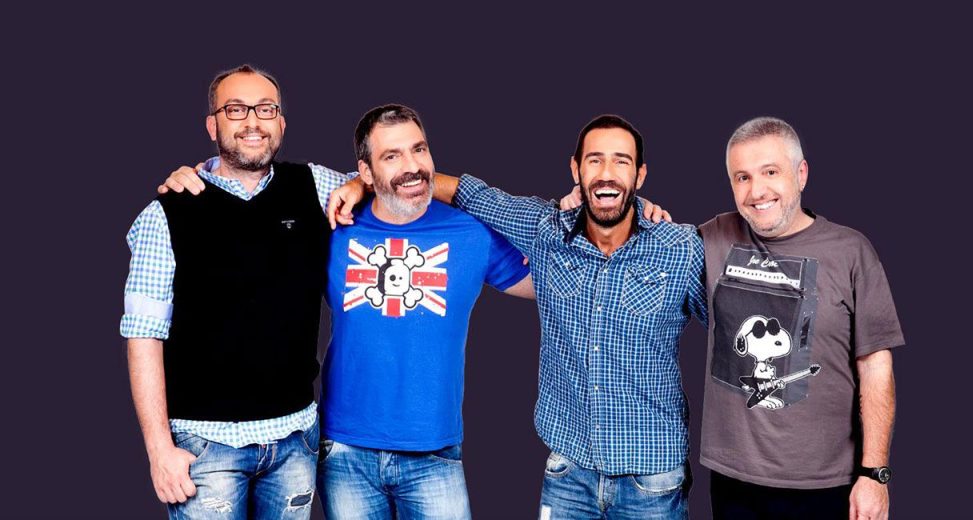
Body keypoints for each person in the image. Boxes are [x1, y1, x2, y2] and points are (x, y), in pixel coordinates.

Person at [330, 114, 706, 519]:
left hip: (650, 472)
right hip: (565, 469)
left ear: (641, 174)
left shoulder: (679, 248)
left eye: (622, 161)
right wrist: (360, 183)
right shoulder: (546, 232)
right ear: (576, 170)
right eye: (595, 160)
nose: (607, 173)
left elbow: (727, 323)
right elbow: (472, 193)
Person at [121, 64, 358, 519]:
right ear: (212, 125)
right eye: (235, 109)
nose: (252, 121)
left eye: (265, 109)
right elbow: (143, 336)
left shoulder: (315, 185)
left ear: (281, 122)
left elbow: (382, 179)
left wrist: (362, 181)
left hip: (295, 438)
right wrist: (158, 449)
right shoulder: (167, 212)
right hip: (204, 446)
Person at [698, 117, 903, 520]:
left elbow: (876, 368)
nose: (757, 191)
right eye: (742, 177)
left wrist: (875, 474)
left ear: (801, 173)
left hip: (826, 485)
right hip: (733, 481)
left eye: (770, 172)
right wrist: (635, 207)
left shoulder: (851, 251)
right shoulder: (713, 236)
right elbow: (643, 241)